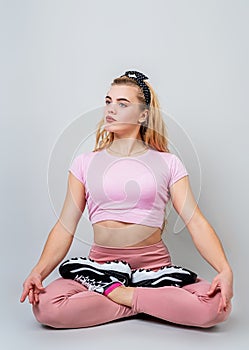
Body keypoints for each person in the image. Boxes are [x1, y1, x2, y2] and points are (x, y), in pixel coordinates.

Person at [20, 70, 233, 329]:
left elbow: (195, 221)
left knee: (216, 307)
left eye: (123, 104)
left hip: (154, 269)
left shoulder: (168, 163)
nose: (111, 109)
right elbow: (65, 226)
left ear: (144, 115)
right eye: (108, 101)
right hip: (100, 270)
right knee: (45, 308)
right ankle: (151, 304)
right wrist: (38, 272)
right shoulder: (85, 163)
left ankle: (124, 296)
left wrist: (224, 269)